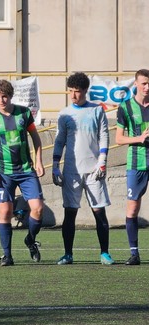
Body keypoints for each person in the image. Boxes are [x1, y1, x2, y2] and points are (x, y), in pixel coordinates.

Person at [0, 79, 45, 266]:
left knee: (38, 208)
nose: (1, 100)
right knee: (5, 212)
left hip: (26, 170)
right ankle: (7, 255)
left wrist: (39, 161)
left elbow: (36, 139)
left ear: (10, 96)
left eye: (5, 96)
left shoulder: (24, 113)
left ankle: (30, 239)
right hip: (3, 173)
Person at [53, 72, 113, 265]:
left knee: (99, 212)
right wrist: (55, 165)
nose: (73, 95)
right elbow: (59, 140)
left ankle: (104, 253)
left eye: (77, 92)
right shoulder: (64, 114)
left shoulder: (97, 110)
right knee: (70, 213)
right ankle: (68, 254)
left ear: (85, 91)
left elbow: (104, 135)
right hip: (71, 171)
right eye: (70, 91)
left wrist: (102, 160)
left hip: (94, 169)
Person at [115, 68, 149, 266]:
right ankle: (134, 253)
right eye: (144, 83)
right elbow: (119, 138)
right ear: (136, 83)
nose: (147, 86)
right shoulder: (126, 107)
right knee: (133, 207)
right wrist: (140, 138)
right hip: (136, 163)